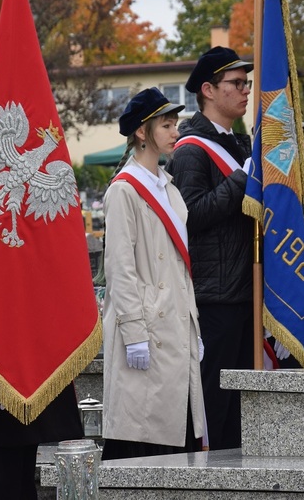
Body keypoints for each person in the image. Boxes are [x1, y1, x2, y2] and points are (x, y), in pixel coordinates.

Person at [101, 88, 206, 459]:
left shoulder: (169, 187)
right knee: (142, 436)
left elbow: (180, 268)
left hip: (175, 323)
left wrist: (191, 325)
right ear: (142, 133)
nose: (175, 130)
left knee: (175, 443)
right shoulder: (124, 192)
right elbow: (119, 269)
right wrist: (133, 333)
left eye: (174, 123)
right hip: (145, 326)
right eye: (166, 124)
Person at [166, 46, 254, 451]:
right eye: (236, 83)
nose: (246, 90)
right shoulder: (190, 150)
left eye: (247, 83)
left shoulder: (239, 143)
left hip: (244, 293)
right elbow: (190, 215)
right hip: (214, 295)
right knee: (213, 408)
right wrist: (242, 180)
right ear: (208, 90)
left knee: (240, 409)